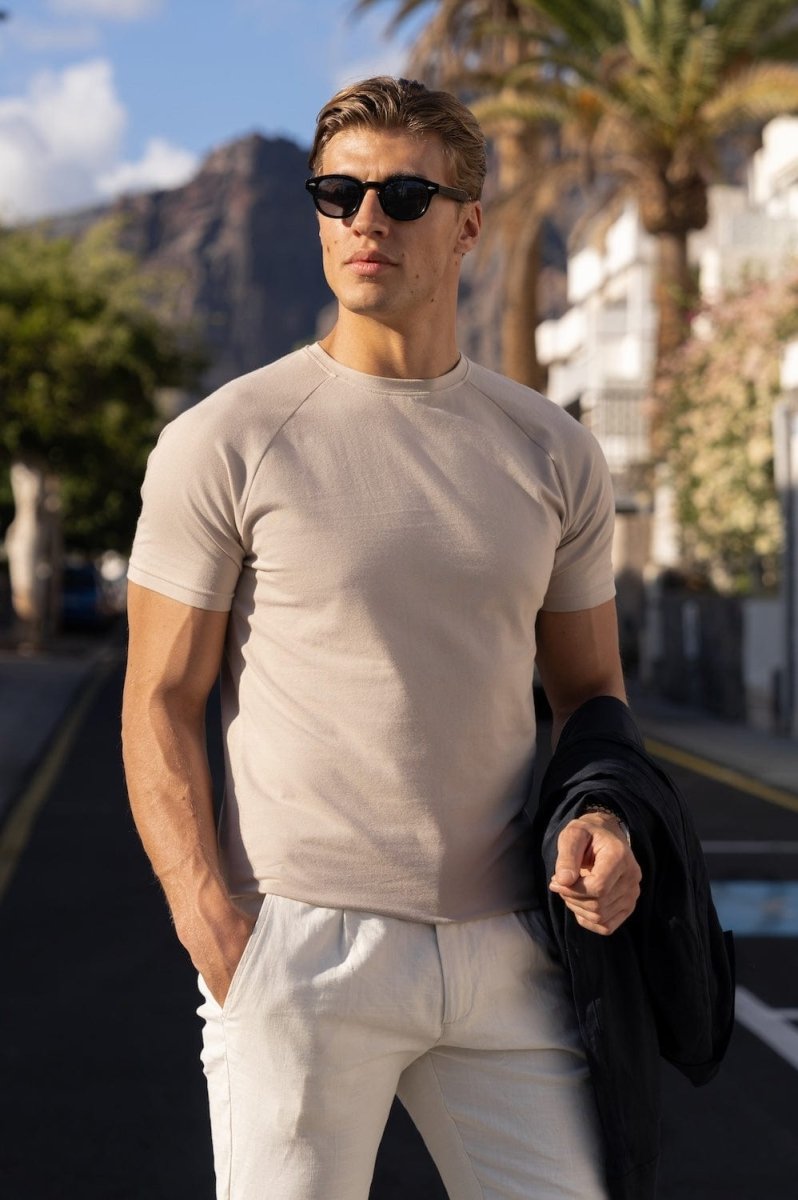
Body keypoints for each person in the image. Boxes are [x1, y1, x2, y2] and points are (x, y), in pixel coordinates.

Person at [122, 76, 642, 1200]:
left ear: (468, 226)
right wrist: (214, 924)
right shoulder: (227, 439)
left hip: (509, 950)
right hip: (302, 950)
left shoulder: (553, 451)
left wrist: (601, 816)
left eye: (405, 195)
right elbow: (160, 697)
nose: (368, 218)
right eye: (339, 193)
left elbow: (590, 690)